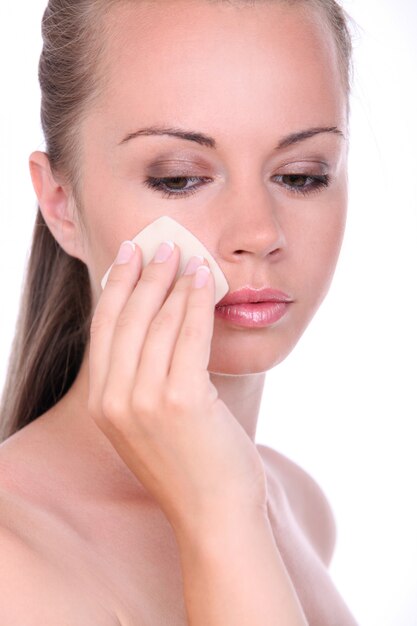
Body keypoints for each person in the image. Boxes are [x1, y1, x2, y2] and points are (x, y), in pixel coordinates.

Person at [0, 0, 360, 623]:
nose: (258, 232)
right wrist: (219, 515)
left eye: (302, 176)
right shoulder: (13, 565)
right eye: (178, 178)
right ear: (61, 204)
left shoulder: (296, 504)